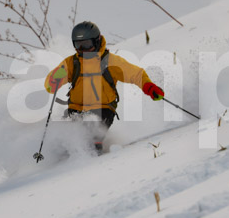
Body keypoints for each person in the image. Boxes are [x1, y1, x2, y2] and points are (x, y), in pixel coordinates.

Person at [44, 21, 165, 154]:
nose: (83, 49)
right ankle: (63, 158)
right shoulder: (72, 63)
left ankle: (93, 158)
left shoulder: (110, 61)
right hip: (76, 108)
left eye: (87, 44)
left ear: (97, 41)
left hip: (103, 108)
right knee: (65, 136)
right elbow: (50, 84)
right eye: (78, 45)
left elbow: (135, 74)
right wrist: (53, 81)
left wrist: (148, 86)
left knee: (93, 131)